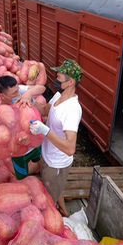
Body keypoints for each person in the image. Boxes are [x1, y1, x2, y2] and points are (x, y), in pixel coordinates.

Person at [29, 59, 83, 217]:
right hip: (47, 155)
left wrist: (45, 131)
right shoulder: (59, 96)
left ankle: (53, 216)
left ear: (70, 81)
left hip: (56, 164)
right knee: (56, 187)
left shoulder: (72, 110)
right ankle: (65, 211)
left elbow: (70, 148)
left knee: (49, 197)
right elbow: (45, 109)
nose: (55, 80)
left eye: (59, 77)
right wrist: (29, 100)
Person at [0, 75, 46, 179]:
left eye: (18, 91)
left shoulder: (20, 91)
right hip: (19, 153)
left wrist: (28, 94)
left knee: (43, 164)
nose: (18, 94)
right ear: (2, 96)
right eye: (14, 94)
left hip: (35, 143)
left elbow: (42, 88)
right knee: (22, 176)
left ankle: (41, 170)